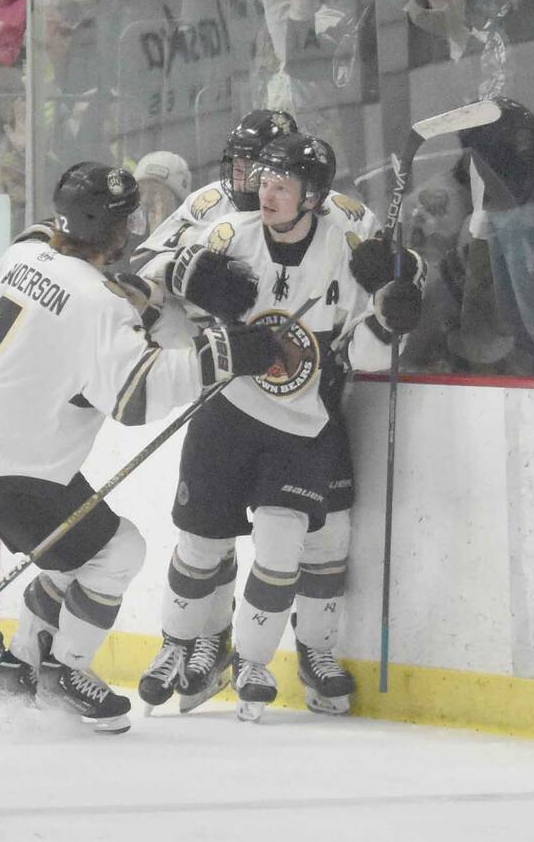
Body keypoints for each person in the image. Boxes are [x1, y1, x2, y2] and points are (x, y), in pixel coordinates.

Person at [0, 163, 289, 730]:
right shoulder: (98, 302)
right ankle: (65, 672)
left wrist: (133, 299)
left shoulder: (26, 254)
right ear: (117, 230)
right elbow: (136, 396)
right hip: (15, 461)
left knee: (74, 557)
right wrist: (226, 352)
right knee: (119, 552)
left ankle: (20, 665)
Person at [138, 133, 420, 721]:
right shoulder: (230, 235)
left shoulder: (344, 246)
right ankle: (175, 647)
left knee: (286, 543)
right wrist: (194, 281)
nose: (266, 192)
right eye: (264, 181)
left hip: (303, 424)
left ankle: (254, 660)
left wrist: (393, 313)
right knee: (199, 544)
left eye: (282, 185)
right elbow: (160, 273)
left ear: (313, 196)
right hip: (227, 413)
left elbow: (367, 353)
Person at [136, 109, 299, 266]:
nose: (241, 184)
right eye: (238, 169)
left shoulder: (315, 208)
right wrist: (179, 272)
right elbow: (144, 261)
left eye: (255, 173)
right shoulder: (211, 200)